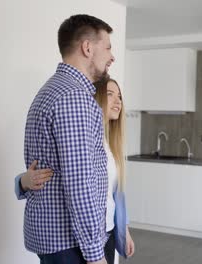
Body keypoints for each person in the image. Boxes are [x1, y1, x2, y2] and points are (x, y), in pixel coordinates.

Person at [22, 14, 115, 264]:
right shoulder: (74, 98)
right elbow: (80, 183)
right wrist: (96, 256)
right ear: (87, 48)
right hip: (71, 244)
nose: (112, 56)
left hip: (57, 240)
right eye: (107, 47)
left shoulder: (53, 89)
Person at [16, 78, 135, 264]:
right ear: (94, 98)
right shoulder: (81, 136)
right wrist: (22, 181)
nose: (118, 101)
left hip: (107, 232)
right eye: (110, 94)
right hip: (75, 238)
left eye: (119, 96)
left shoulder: (111, 145)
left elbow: (116, 194)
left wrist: (124, 230)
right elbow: (65, 177)